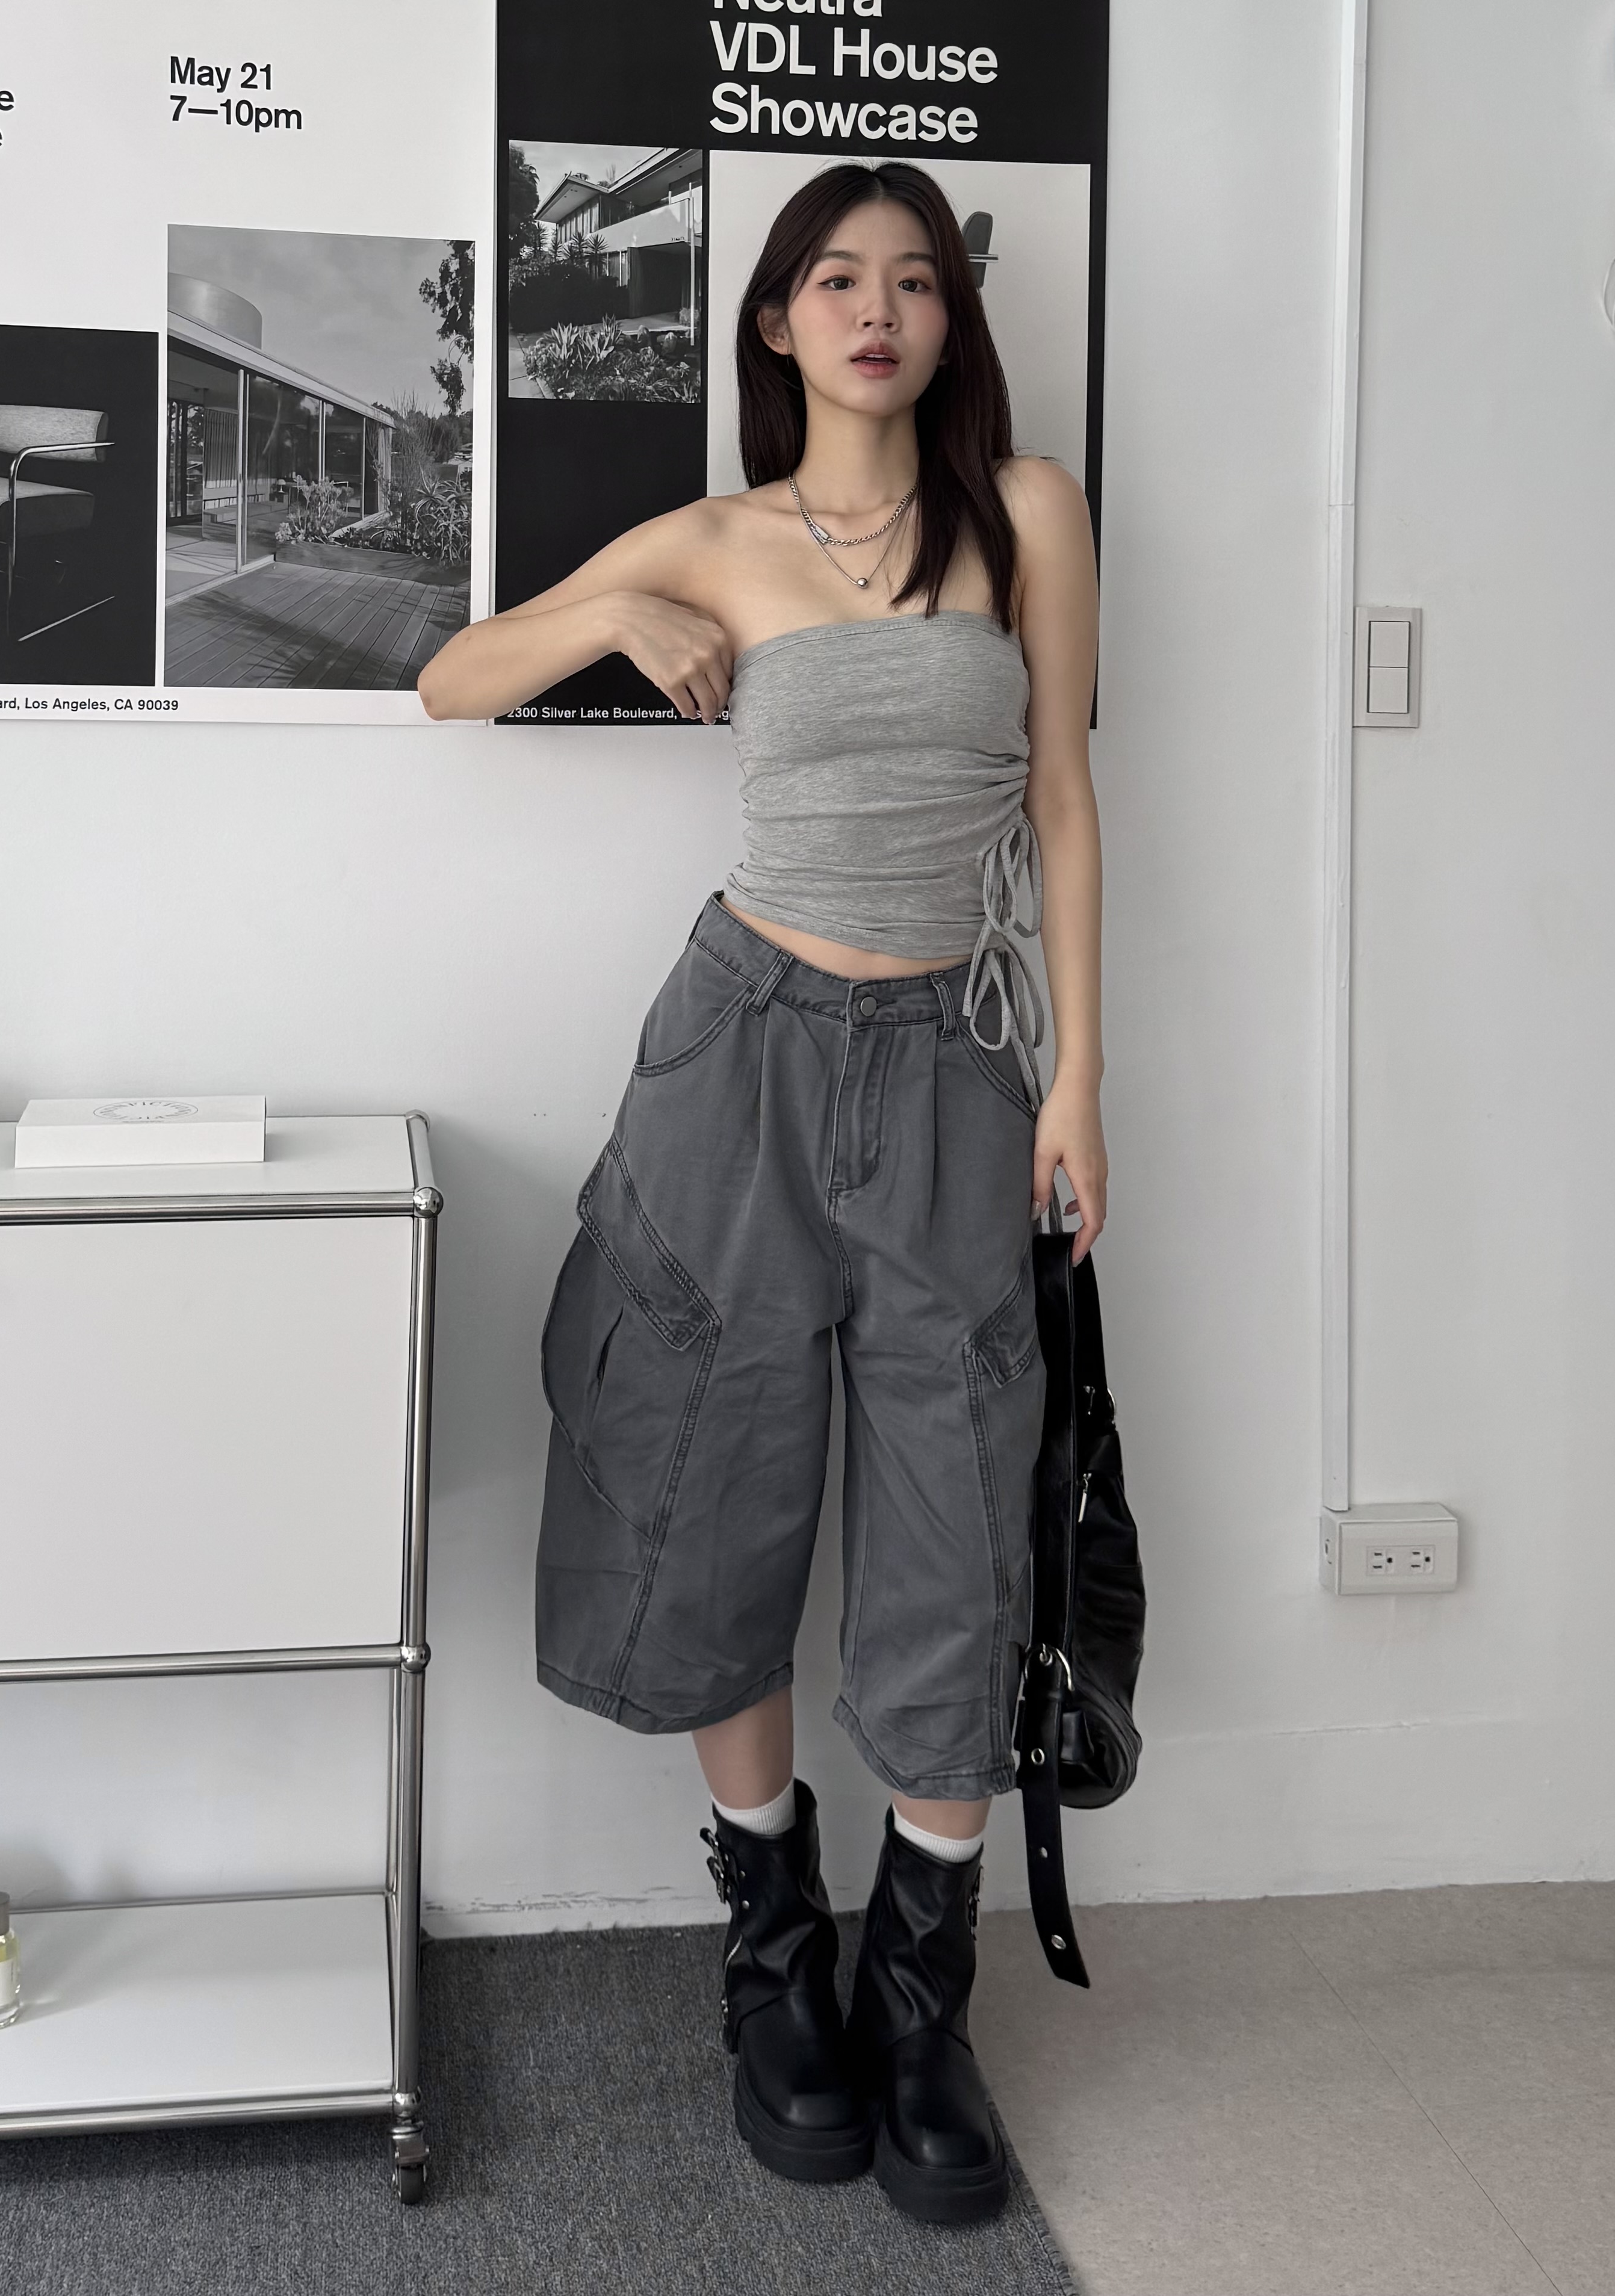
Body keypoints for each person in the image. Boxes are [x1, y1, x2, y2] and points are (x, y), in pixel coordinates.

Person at [420, 160, 1105, 2229]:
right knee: (708, 1476)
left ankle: (925, 1994)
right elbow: (455, 676)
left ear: (949, 320)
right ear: (778, 322)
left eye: (916, 281)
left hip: (962, 1064)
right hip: (743, 1052)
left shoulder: (1029, 513)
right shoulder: (719, 540)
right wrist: (615, 611)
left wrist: (1084, 1077)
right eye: (837, 279)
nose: (878, 310)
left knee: (958, 1508)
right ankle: (775, 1946)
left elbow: (1065, 798)